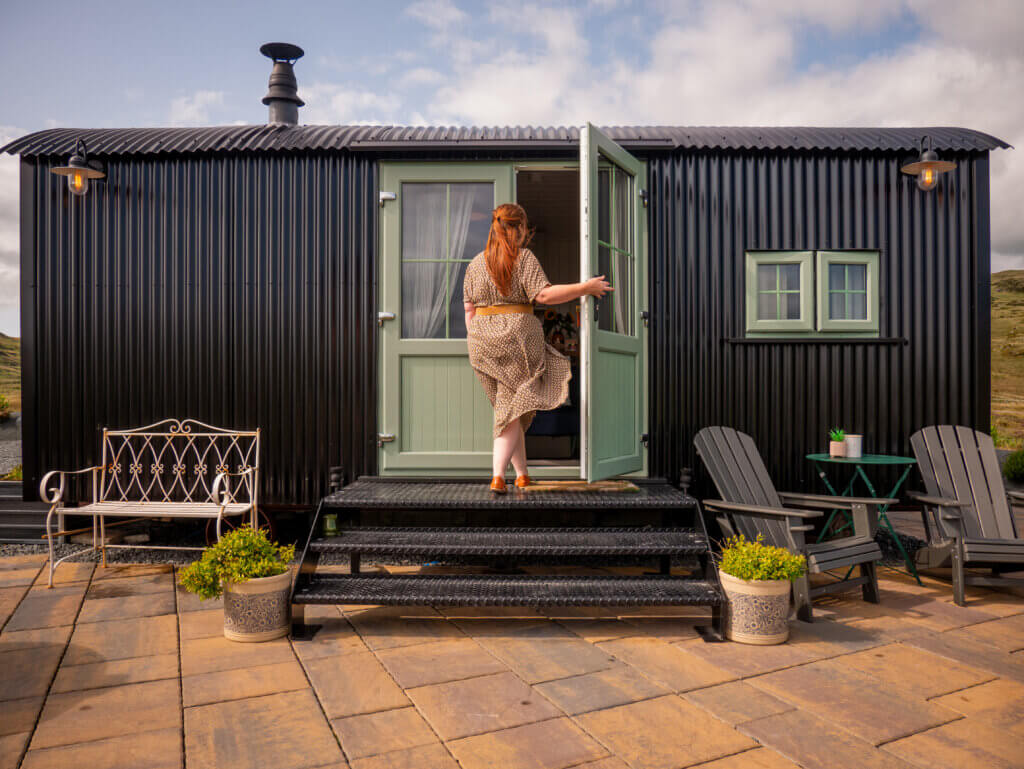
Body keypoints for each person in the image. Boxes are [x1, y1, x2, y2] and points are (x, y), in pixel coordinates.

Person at [462, 203, 612, 493]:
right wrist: (586, 288)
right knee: (510, 411)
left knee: (510, 409)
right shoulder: (524, 259)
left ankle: (522, 474)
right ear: (518, 229)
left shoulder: (475, 263)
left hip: (481, 344)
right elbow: (543, 295)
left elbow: (468, 309)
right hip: (517, 343)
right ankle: (497, 476)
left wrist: (481, 338)